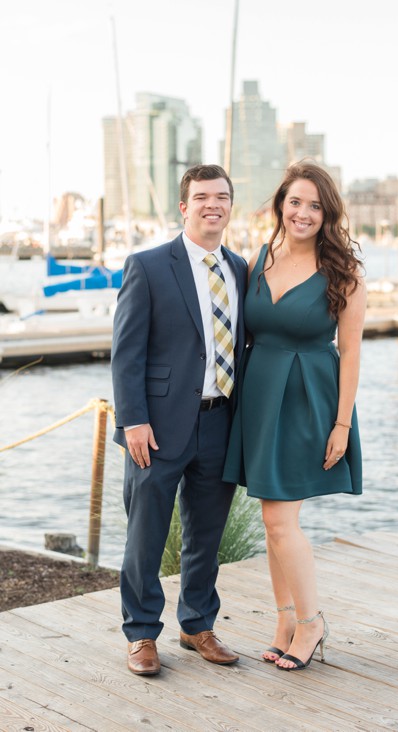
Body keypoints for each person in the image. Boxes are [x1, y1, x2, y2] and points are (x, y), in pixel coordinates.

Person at [223, 161, 365, 671]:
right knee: (271, 521)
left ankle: (311, 623)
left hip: (310, 398)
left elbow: (350, 353)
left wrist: (342, 423)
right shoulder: (258, 258)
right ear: (281, 203)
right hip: (260, 399)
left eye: (315, 206)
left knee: (281, 520)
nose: (303, 213)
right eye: (296, 202)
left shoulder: (343, 273)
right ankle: (285, 619)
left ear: (327, 214)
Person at [112, 164, 247, 676]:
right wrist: (133, 422)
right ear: (184, 207)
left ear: (230, 206)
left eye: (223, 196)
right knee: (145, 534)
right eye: (202, 196)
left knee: (206, 536)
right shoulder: (147, 265)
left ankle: (197, 624)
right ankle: (142, 633)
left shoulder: (240, 268)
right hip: (158, 426)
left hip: (220, 421)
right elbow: (126, 353)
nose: (213, 204)